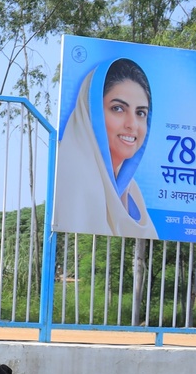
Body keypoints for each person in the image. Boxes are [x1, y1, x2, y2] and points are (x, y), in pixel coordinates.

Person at [53, 57, 157, 238]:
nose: (132, 124)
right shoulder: (71, 174)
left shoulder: (130, 190)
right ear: (91, 111)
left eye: (141, 113)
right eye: (118, 108)